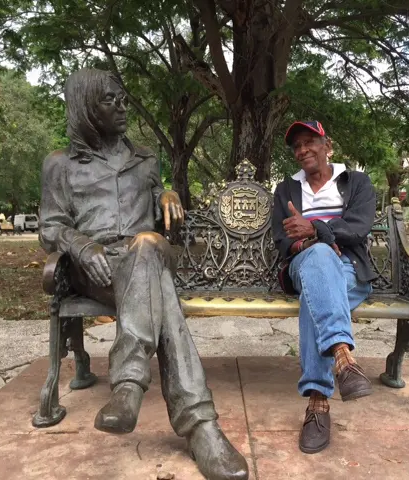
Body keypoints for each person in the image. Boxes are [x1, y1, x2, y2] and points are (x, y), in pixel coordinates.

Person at [39, 68, 248, 480]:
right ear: (84, 106)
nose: (122, 107)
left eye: (123, 99)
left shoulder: (145, 157)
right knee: (159, 292)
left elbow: (155, 201)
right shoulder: (60, 165)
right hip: (97, 270)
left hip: (148, 252)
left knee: (147, 245)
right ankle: (202, 428)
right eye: (110, 100)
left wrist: (166, 193)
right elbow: (50, 227)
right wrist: (82, 246)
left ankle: (129, 386)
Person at [272, 120, 378, 454]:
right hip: (303, 264)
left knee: (313, 303)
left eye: (309, 142)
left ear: (326, 144)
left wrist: (317, 228)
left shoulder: (356, 182)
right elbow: (281, 242)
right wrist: (315, 244)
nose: (302, 151)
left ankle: (318, 403)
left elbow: (358, 229)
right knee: (318, 258)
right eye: (296, 147)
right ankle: (343, 357)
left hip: (349, 270)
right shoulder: (286, 189)